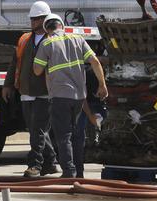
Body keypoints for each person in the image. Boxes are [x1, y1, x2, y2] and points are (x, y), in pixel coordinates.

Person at [33, 14, 108, 177]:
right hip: (79, 97)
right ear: (62, 25)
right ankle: (79, 172)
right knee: (77, 135)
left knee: (63, 136)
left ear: (47, 29)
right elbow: (95, 62)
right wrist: (102, 85)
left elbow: (37, 70)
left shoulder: (47, 43)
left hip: (59, 96)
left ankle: (69, 172)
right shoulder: (78, 39)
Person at [2, 0, 59, 178]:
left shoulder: (53, 39)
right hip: (26, 91)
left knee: (38, 130)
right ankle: (50, 162)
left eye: (36, 19)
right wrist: (8, 84)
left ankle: (35, 165)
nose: (32, 22)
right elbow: (15, 63)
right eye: (32, 19)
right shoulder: (24, 39)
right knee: (36, 129)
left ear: (45, 19)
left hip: (45, 92)